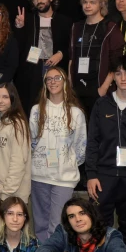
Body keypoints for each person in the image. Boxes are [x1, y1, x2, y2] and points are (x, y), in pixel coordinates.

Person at [85, 54, 126, 252]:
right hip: (103, 177)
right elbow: (93, 142)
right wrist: (91, 175)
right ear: (112, 76)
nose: (123, 78)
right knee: (98, 227)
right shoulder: (102, 104)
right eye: (118, 73)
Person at [29, 67, 87, 242]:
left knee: (57, 226)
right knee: (40, 225)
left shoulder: (76, 113)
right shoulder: (36, 110)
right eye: (49, 79)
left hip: (64, 178)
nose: (53, 82)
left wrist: (66, 163)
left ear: (65, 82)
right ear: (45, 84)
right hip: (39, 176)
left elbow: (80, 147)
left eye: (57, 78)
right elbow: (31, 142)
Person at [13, 0, 72, 114]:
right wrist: (19, 28)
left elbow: (73, 48)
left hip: (55, 70)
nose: (39, 0)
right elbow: (17, 48)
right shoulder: (27, 21)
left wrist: (61, 54)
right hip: (32, 71)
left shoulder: (64, 21)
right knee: (31, 107)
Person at [69, 0, 124, 118]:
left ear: (102, 4)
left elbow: (116, 62)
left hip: (99, 88)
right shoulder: (76, 27)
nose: (87, 6)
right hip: (77, 89)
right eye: (85, 2)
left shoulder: (110, 28)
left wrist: (104, 88)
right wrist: (69, 86)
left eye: (92, 2)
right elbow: (72, 58)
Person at [0, 83, 31, 202]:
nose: (0, 101)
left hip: (11, 193)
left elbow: (18, 160)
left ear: (13, 99)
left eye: (5, 97)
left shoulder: (18, 123)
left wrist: (7, 190)